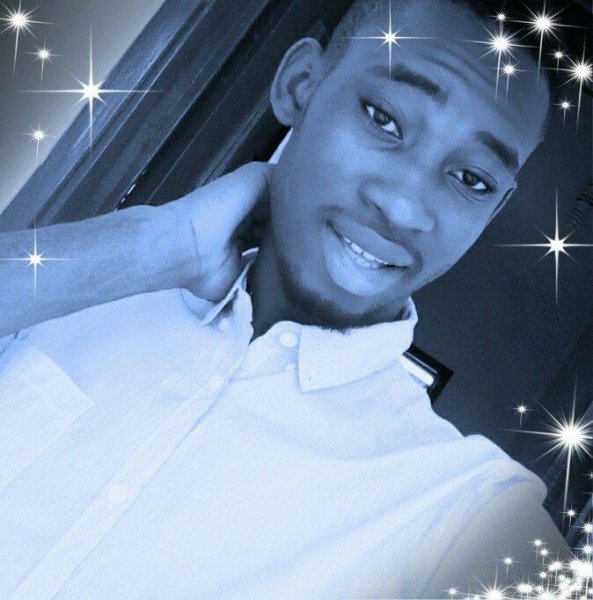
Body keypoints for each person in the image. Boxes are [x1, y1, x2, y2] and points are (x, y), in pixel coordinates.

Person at [0, 0, 573, 597]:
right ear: (301, 86)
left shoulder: (465, 511)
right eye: (384, 119)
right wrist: (148, 245)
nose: (404, 207)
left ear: (492, 211)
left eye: (472, 179)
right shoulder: (73, 291)